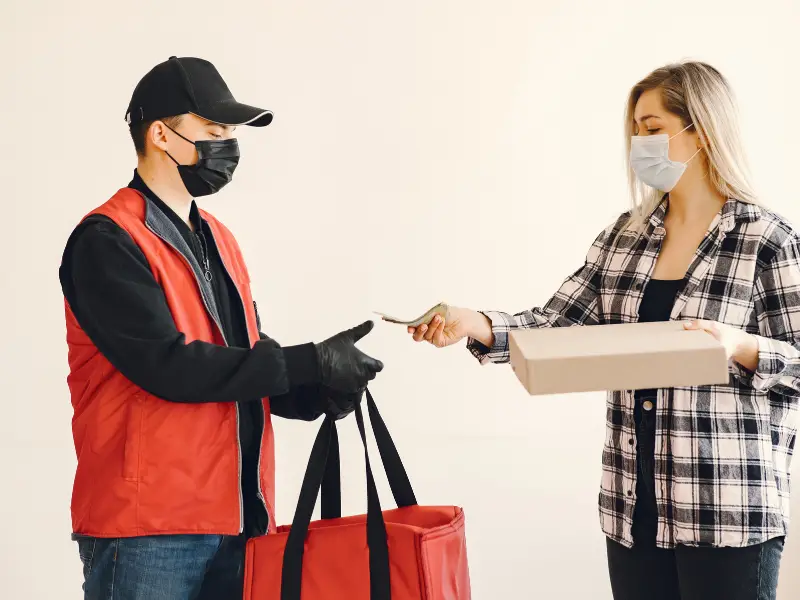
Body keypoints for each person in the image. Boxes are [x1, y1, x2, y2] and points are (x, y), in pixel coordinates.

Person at [400, 61, 798, 600]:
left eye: (653, 128)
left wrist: (741, 346)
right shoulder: (624, 237)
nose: (640, 142)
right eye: (635, 129)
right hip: (633, 513)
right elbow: (556, 326)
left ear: (702, 131)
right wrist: (477, 323)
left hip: (725, 513)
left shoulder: (767, 240)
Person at [58, 55, 384, 600]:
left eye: (232, 134)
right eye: (213, 131)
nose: (227, 146)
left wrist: (314, 389)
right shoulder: (107, 240)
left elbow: (239, 359)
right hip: (148, 531)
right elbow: (167, 366)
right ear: (160, 134)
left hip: (239, 520)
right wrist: (307, 360)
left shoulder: (219, 238)